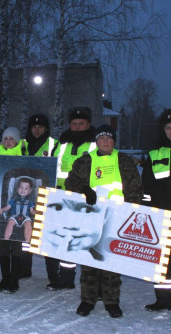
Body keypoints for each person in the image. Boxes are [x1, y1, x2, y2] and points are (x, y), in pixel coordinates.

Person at [65, 124, 143, 318]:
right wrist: (85, 190)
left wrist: (128, 213)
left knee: (111, 262)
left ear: (113, 141)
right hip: (90, 218)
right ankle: (88, 300)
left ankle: (111, 301)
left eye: (108, 138)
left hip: (117, 219)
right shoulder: (86, 161)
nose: (105, 142)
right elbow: (70, 182)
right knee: (90, 261)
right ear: (96, 141)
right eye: (101, 139)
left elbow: (135, 190)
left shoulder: (124, 161)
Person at [46, 108, 97, 291]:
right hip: (61, 197)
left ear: (88, 124)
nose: (77, 127)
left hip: (86, 199)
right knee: (65, 240)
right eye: (74, 123)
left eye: (81, 123)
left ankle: (92, 283)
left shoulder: (96, 143)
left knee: (86, 241)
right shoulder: (62, 142)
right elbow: (51, 167)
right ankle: (66, 279)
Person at [22, 113, 69, 289]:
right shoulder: (23, 144)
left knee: (48, 237)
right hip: (26, 194)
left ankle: (53, 276)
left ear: (46, 128)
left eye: (40, 127)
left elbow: (59, 169)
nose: (36, 129)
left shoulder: (55, 145)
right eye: (34, 127)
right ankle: (24, 269)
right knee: (25, 234)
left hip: (47, 195)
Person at [142, 108, 171, 311]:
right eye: (168, 128)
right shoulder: (155, 153)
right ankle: (163, 301)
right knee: (163, 262)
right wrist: (149, 210)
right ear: (163, 129)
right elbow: (146, 185)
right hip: (163, 216)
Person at [0, 127, 27, 293]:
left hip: (18, 210)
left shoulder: (23, 159)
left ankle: (14, 281)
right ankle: (4, 278)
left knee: (15, 246)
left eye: (11, 139)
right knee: (3, 244)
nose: (8, 142)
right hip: (0, 208)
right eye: (5, 138)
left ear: (17, 141)